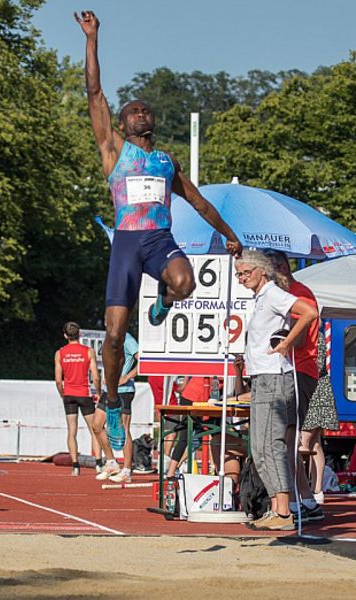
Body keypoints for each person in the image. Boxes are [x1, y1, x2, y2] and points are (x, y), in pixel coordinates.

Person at [74, 11, 243, 447]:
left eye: (145, 111)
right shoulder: (114, 150)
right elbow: (94, 91)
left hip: (158, 238)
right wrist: (93, 39)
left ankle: (164, 303)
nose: (140, 114)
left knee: (185, 283)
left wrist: (228, 232)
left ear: (152, 122)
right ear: (124, 123)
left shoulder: (167, 162)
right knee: (113, 334)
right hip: (127, 244)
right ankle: (112, 402)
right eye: (133, 111)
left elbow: (199, 201)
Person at [236, 249, 319, 531]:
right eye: (239, 274)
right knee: (259, 447)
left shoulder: (272, 294)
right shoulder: (260, 299)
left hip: (274, 377)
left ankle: (283, 510)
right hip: (261, 376)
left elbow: (309, 312)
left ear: (263, 271)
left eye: (246, 272)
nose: (242, 278)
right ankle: (277, 507)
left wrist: (287, 343)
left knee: (271, 445)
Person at [264, 250, 322, 516]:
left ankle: (299, 500)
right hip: (286, 370)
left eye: (274, 269)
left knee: (288, 440)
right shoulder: (280, 294)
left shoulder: (299, 294)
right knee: (285, 440)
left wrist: (280, 339)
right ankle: (303, 499)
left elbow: (300, 338)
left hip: (300, 371)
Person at [54, 322, 102, 476]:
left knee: (71, 431)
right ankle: (99, 464)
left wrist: (62, 393)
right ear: (79, 334)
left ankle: (75, 467)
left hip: (69, 394)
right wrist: (99, 392)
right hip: (84, 394)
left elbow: (57, 379)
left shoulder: (60, 353)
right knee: (95, 430)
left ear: (65, 335)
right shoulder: (89, 351)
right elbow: (95, 376)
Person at [301, 328, 340, 504]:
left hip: (314, 391)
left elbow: (315, 365)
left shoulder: (315, 338)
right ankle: (317, 490)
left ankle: (305, 490)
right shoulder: (318, 337)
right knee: (315, 444)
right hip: (318, 390)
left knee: (304, 443)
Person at [97, 332, 140, 484]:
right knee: (97, 425)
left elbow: (143, 360)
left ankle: (127, 470)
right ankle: (111, 462)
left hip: (124, 391)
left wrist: (127, 377)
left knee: (124, 428)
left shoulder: (127, 339)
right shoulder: (109, 339)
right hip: (108, 390)